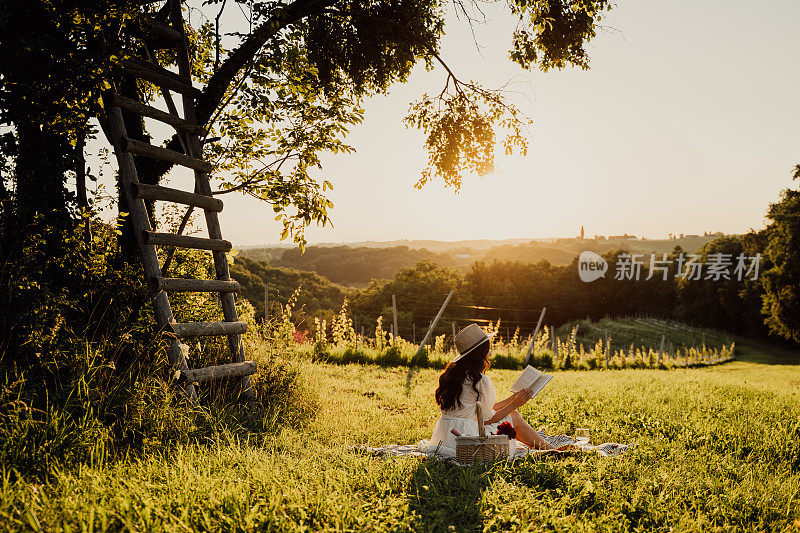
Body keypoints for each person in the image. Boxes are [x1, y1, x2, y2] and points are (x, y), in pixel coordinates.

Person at [418, 323, 564, 457]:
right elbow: (487, 420)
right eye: (488, 351)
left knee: (512, 413)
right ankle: (551, 449)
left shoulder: (451, 375)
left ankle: (547, 447)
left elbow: (477, 410)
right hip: (467, 436)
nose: (490, 354)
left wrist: (511, 399)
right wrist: (515, 404)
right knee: (514, 416)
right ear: (479, 354)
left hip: (446, 435)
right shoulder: (480, 380)